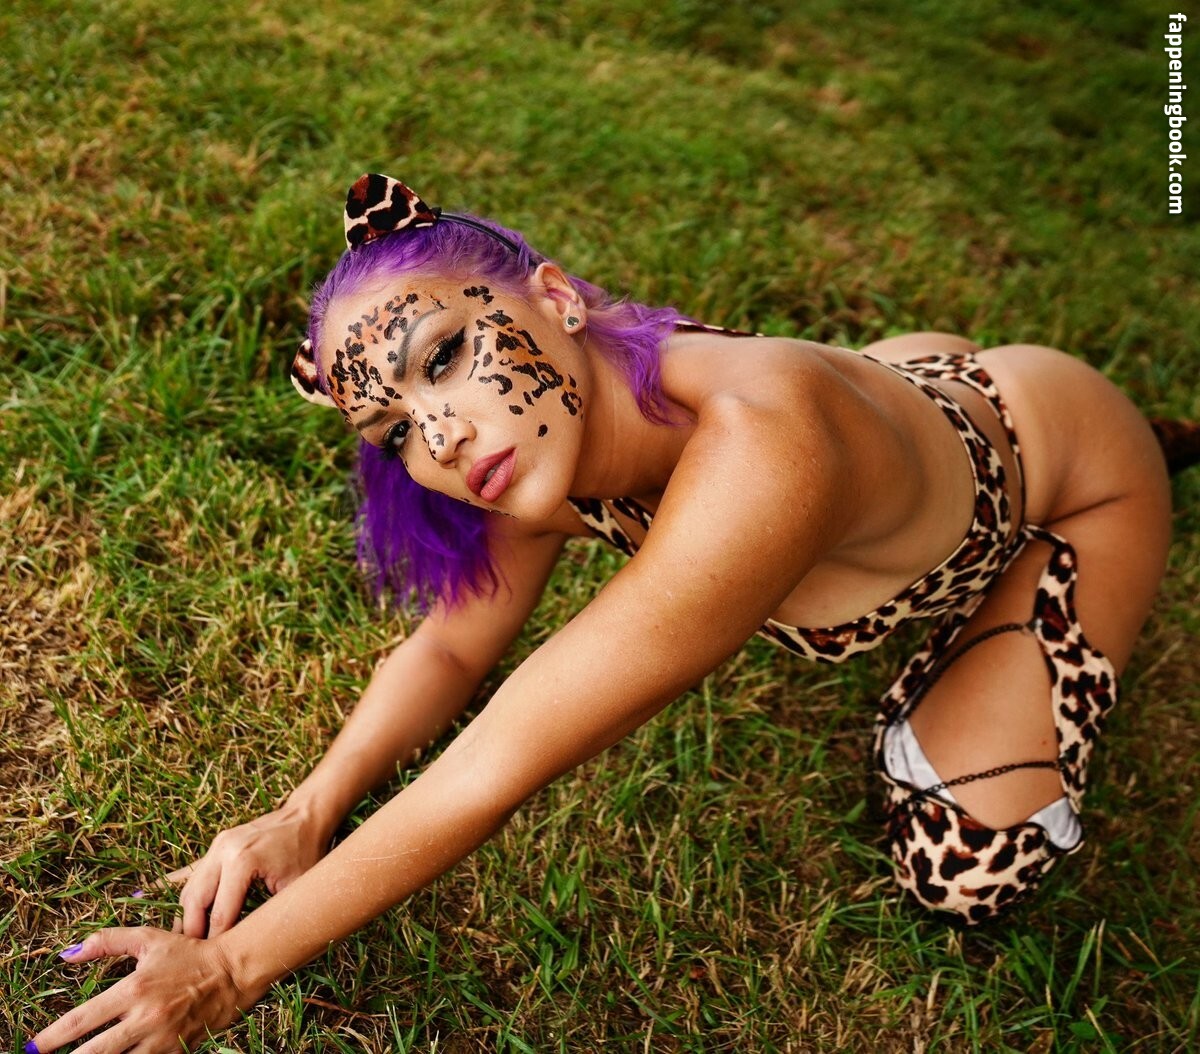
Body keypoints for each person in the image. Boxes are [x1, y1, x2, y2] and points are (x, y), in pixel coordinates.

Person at [28, 173, 1187, 1053]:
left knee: (966, 873)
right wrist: (304, 810)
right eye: (393, 430)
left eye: (445, 356)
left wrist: (227, 971)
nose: (440, 435)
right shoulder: (544, 441)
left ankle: (1130, 475)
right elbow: (452, 642)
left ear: (556, 297)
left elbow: (501, 757)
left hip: (1059, 480)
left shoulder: (764, 442)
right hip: (912, 416)